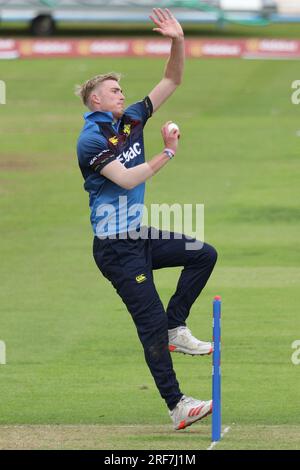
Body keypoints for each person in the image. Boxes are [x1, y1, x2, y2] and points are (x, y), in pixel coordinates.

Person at [76, 8, 218, 430]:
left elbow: (171, 79)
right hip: (116, 249)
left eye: (122, 90)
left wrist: (178, 40)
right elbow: (124, 178)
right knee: (148, 324)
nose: (122, 94)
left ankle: (178, 327)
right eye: (114, 90)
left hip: (138, 235)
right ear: (95, 100)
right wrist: (168, 151)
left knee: (203, 254)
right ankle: (177, 406)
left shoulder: (132, 119)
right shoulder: (92, 139)